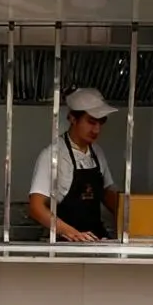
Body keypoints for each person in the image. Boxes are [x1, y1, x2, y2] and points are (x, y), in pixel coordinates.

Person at [28, 88, 119, 242]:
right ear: (72, 118)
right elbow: (36, 207)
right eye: (91, 122)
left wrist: (134, 220)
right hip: (64, 243)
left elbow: (108, 195)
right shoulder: (52, 155)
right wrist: (72, 233)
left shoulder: (97, 152)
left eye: (101, 122)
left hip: (95, 240)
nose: (96, 129)